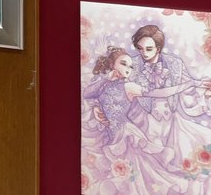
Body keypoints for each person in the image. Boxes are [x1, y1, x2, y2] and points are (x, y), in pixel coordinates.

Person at [82, 46, 200, 194]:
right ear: (112, 64)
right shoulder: (104, 84)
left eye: (130, 66)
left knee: (137, 174)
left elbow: (159, 93)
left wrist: (187, 85)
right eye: (123, 64)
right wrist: (106, 79)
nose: (128, 69)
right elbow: (87, 94)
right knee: (123, 174)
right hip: (110, 134)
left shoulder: (129, 86)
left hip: (127, 135)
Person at [128, 25, 211, 180]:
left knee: (181, 161)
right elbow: (143, 92)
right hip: (145, 121)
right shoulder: (131, 64)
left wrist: (205, 92)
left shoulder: (174, 63)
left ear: (158, 48)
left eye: (149, 49)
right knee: (149, 164)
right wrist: (192, 83)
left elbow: (188, 90)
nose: (144, 53)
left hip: (171, 122)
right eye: (140, 48)